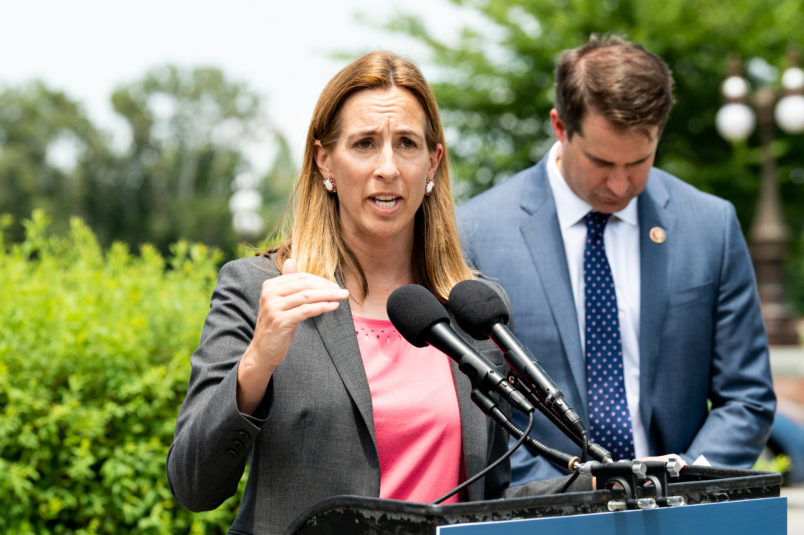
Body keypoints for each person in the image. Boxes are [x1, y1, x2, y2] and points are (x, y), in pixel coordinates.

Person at [167, 50, 587, 534]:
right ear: (325, 159)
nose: (388, 167)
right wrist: (258, 361)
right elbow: (193, 485)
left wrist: (597, 486)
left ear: (432, 163)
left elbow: (487, 499)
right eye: (365, 144)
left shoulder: (473, 308)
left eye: (406, 144)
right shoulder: (260, 291)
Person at [458, 34, 777, 485]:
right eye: (602, 162)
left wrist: (683, 487)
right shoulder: (474, 233)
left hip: (681, 514)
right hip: (546, 515)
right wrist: (565, 497)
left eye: (640, 161)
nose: (620, 185)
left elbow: (746, 397)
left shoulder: (710, 226)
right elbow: (477, 412)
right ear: (560, 127)